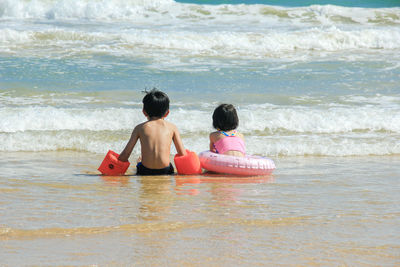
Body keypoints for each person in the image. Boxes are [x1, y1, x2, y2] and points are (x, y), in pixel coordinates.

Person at [118, 89, 186, 175]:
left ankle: (140, 162)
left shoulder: (139, 128)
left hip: (145, 170)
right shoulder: (172, 128)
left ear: (144, 112)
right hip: (165, 170)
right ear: (167, 113)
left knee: (139, 162)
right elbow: (182, 155)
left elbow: (125, 155)